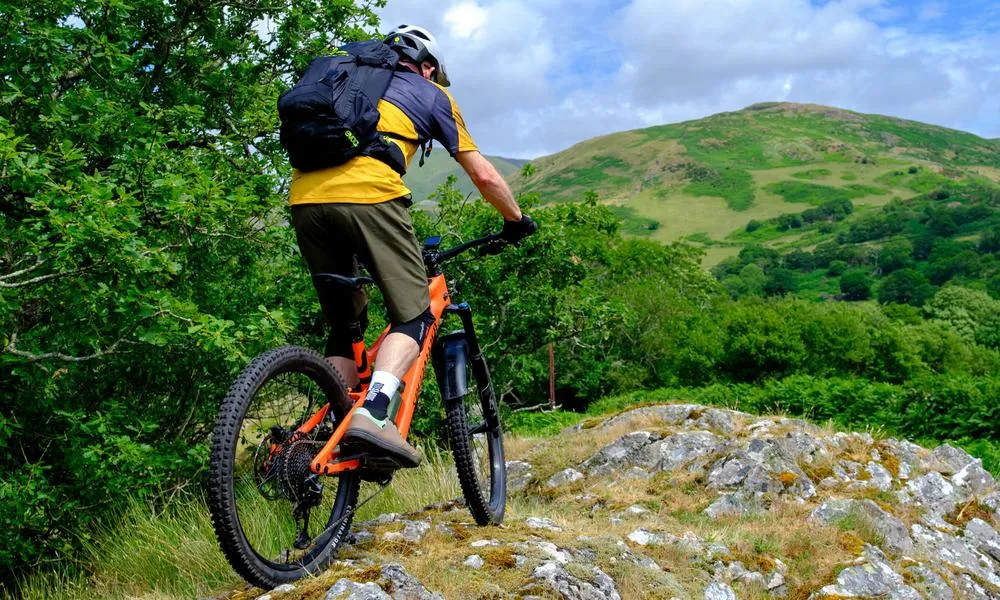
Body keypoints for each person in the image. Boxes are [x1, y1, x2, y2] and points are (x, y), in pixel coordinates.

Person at [289, 24, 536, 468]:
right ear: (427, 66)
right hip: (370, 195)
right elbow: (483, 175)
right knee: (414, 313)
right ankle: (375, 413)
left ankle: (313, 437)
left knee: (346, 327)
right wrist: (515, 221)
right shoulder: (433, 95)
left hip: (305, 199)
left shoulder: (342, 78)